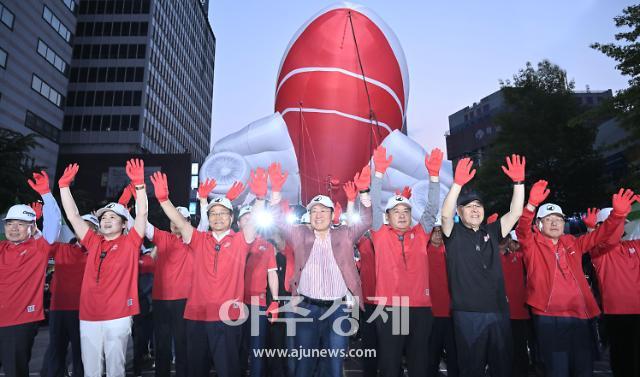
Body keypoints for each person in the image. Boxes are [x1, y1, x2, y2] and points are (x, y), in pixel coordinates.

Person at [515, 181, 635, 377]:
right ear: (538, 225)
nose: (554, 223)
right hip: (549, 318)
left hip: (581, 317)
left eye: (559, 219)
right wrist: (530, 206)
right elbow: (522, 230)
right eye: (548, 219)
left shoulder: (573, 243)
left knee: (583, 369)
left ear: (565, 223)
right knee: (556, 370)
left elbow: (600, 235)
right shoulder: (531, 245)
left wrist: (617, 216)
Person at [150, 169, 261, 377]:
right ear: (207, 217)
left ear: (231, 217)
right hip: (196, 316)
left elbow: (253, 223)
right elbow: (181, 223)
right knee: (196, 370)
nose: (217, 217)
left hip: (228, 317)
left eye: (222, 213)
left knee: (228, 370)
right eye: (213, 213)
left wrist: (261, 199)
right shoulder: (199, 239)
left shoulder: (240, 241)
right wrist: (164, 200)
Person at [267, 162, 372, 377]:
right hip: (306, 308)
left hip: (337, 310)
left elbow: (367, 220)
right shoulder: (299, 234)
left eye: (323, 210)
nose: (318, 214)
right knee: (304, 365)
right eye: (314, 210)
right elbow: (277, 219)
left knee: (334, 366)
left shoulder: (344, 234)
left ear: (332, 214)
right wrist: (275, 192)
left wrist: (364, 193)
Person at [58, 159, 148, 377]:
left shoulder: (131, 242)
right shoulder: (93, 241)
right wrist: (63, 188)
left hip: (118, 315)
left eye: (113, 217)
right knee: (91, 370)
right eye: (104, 217)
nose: (106, 220)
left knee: (115, 369)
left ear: (124, 223)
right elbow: (73, 216)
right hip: (89, 315)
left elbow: (143, 215)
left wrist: (139, 186)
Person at [441, 155, 526, 377]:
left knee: (502, 366)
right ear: (460, 213)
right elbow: (445, 214)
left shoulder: (492, 231)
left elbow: (515, 213)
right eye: (468, 207)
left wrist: (518, 184)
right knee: (471, 368)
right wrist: (457, 185)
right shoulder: (453, 234)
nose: (474, 210)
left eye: (478, 206)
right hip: (468, 315)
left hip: (498, 311)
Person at [367, 146, 442, 377]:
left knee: (419, 364)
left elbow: (431, 209)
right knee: (390, 364)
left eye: (406, 211)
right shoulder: (379, 233)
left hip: (420, 309)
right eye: (395, 211)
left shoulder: (421, 234)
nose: (401, 215)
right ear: (387, 216)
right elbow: (375, 201)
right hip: (392, 308)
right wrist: (378, 174)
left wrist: (434, 177)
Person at [1, 171, 61, 377]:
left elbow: (54, 224)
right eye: (10, 223)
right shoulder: (1, 248)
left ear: (32, 227)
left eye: (20, 224)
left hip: (19, 322)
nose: (14, 228)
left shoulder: (39, 248)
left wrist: (46, 193)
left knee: (15, 371)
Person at [584, 204, 640, 377]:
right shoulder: (599, 251)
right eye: (613, 223)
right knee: (623, 361)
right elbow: (605, 238)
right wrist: (592, 229)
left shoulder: (634, 245)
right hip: (617, 313)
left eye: (621, 223)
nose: (619, 227)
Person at [41, 214, 98, 377]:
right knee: (56, 351)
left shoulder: (99, 253)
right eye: (80, 225)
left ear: (95, 231)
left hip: (85, 312)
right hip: (58, 309)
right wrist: (37, 227)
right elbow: (42, 245)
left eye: (87, 226)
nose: (82, 229)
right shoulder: (62, 248)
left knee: (81, 354)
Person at [239, 204, 280, 377]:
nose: (249, 221)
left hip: (258, 303)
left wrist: (275, 300)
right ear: (238, 222)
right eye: (245, 218)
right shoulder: (232, 241)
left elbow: (272, 274)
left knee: (257, 349)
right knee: (236, 348)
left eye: (252, 218)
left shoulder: (267, 246)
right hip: (233, 302)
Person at [426, 222, 458, 377]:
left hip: (451, 314)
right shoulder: (423, 252)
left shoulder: (451, 252)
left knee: (454, 356)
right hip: (431, 314)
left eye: (440, 231)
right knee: (431, 356)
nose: (438, 234)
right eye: (435, 231)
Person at [499, 231, 531, 377]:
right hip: (503, 312)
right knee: (505, 348)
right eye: (513, 241)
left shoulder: (523, 257)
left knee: (521, 347)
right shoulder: (500, 257)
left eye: (517, 243)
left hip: (521, 311)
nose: (514, 245)